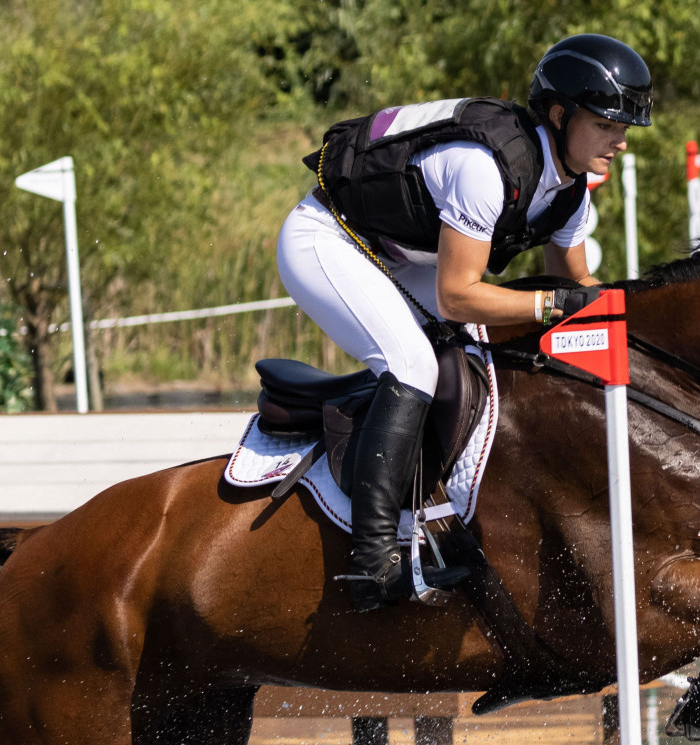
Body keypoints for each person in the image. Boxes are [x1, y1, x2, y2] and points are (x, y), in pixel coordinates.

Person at [277, 34, 653, 611]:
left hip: (404, 256)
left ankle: (437, 517)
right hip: (328, 238)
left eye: (623, 128)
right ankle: (372, 560)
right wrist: (551, 308)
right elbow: (458, 296)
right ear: (559, 115)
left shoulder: (570, 191)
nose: (621, 141)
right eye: (607, 125)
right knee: (413, 364)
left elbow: (577, 290)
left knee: (478, 359)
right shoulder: (486, 168)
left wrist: (646, 320)